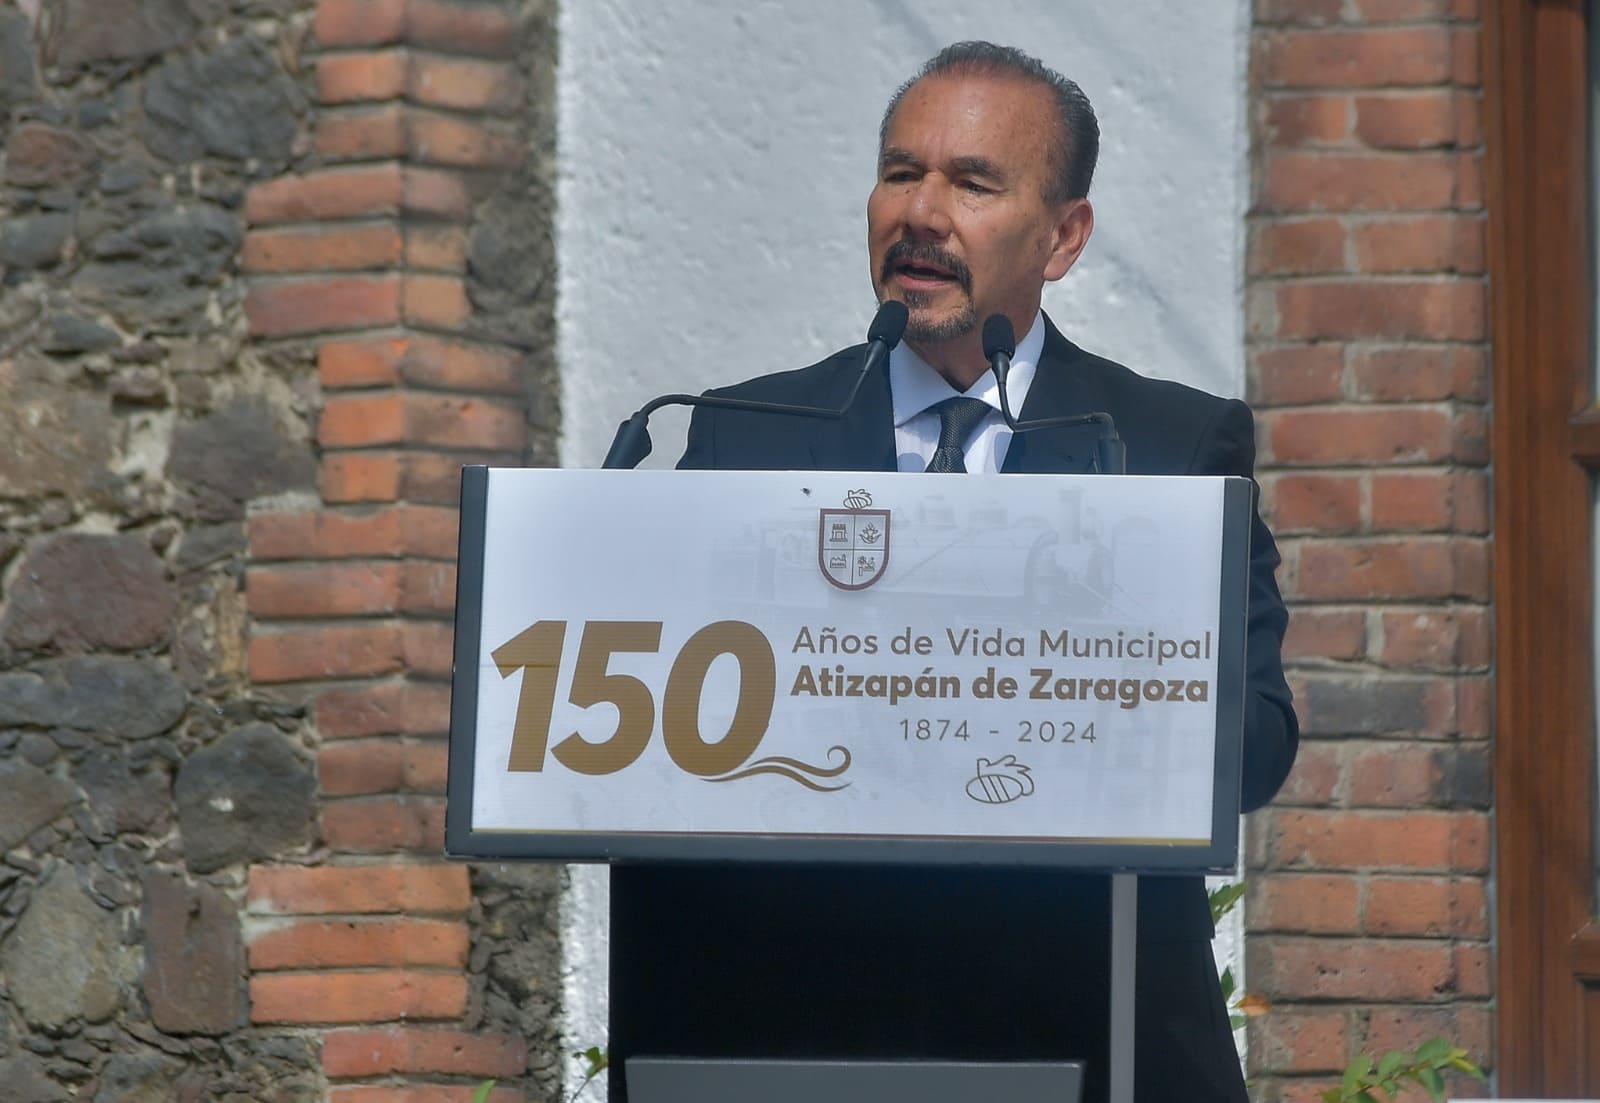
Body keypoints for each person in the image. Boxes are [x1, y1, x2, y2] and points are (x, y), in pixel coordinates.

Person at [608, 41, 1297, 1103]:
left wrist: (1085, 692)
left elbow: (1254, 742)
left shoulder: (1164, 445)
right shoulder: (749, 432)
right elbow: (668, 716)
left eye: (972, 183)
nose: (921, 213)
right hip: (799, 1018)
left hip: (1095, 1012)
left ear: (1063, 236)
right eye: (900, 172)